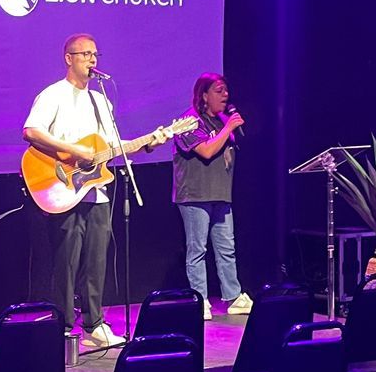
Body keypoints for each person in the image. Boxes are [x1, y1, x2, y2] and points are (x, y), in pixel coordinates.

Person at [22, 32, 162, 354]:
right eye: (85, 54)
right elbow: (31, 131)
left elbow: (111, 148)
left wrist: (148, 143)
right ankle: (61, 327)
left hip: (95, 190)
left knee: (96, 261)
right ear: (68, 58)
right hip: (62, 187)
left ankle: (94, 325)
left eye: (95, 54)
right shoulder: (53, 95)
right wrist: (74, 150)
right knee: (66, 262)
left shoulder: (101, 101)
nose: (92, 60)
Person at [172, 72, 250, 319]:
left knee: (227, 248)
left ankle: (233, 297)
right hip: (195, 195)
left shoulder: (221, 121)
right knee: (198, 249)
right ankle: (200, 299)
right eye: (219, 91)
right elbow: (206, 151)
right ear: (204, 95)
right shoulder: (188, 122)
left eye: (226, 90)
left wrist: (227, 126)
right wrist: (228, 128)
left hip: (220, 194)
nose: (225, 95)